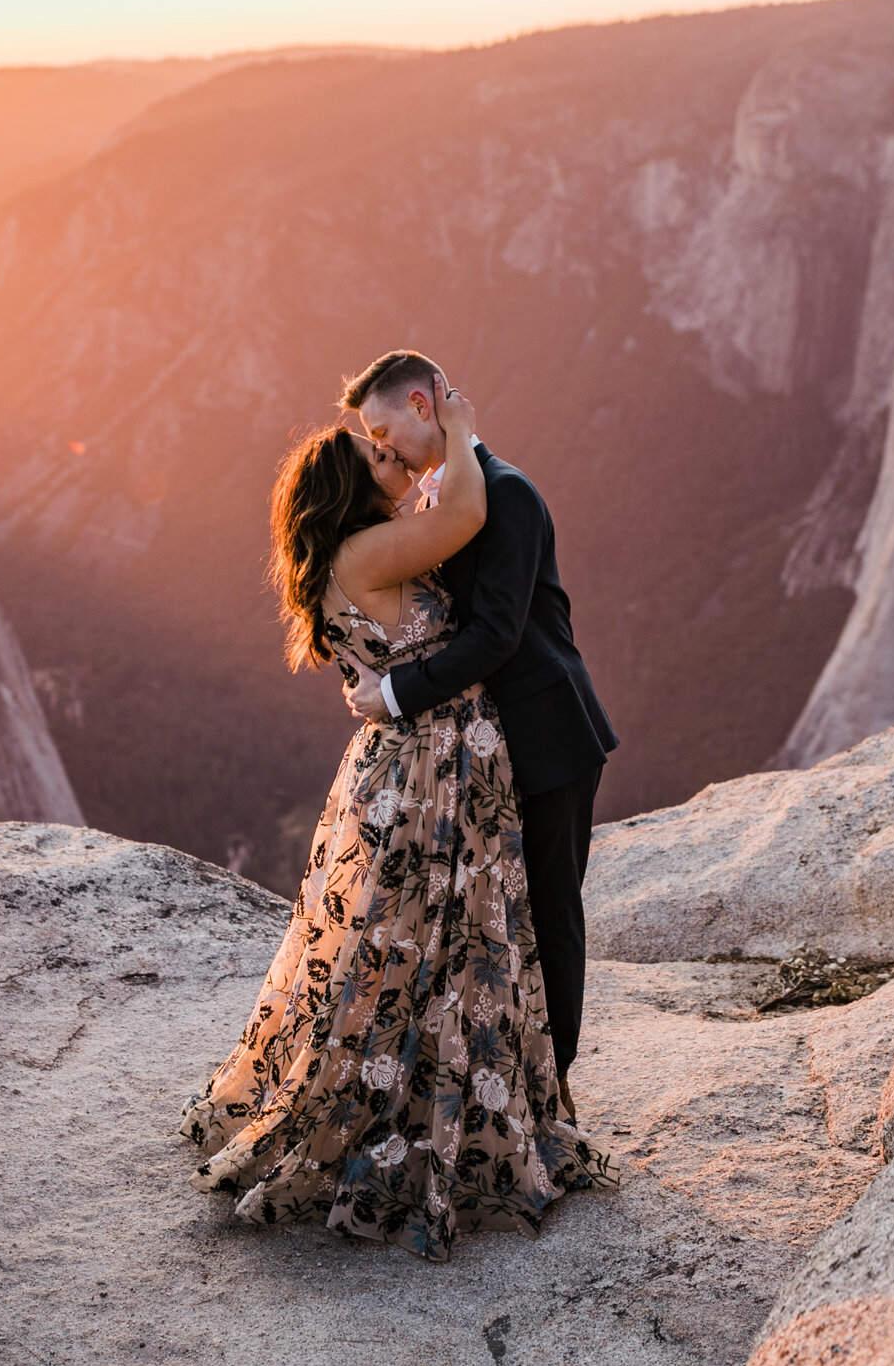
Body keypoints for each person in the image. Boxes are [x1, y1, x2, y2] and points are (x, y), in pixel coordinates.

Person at [182, 384, 612, 1262]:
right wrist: (453, 423)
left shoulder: (348, 552)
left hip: (412, 763)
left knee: (407, 944)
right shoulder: (372, 547)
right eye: (374, 451)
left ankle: (424, 1095)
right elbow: (462, 510)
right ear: (350, 488)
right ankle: (446, 1116)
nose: (389, 454)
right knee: (449, 938)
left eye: (387, 439)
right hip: (434, 766)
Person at [341, 351, 617, 1118]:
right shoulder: (442, 499)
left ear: (424, 406)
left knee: (551, 911)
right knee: (501, 917)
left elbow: (496, 634)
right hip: (488, 753)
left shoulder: (507, 494)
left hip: (550, 737)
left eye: (382, 426)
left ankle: (554, 1091)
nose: (382, 447)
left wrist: (393, 692)